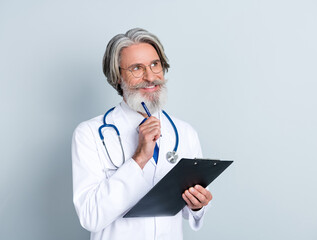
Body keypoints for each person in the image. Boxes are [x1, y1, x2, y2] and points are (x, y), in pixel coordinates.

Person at [72, 28, 212, 240]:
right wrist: (139, 158)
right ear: (118, 76)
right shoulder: (89, 134)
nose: (150, 77)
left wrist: (197, 205)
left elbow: (188, 211)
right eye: (137, 68)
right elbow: (90, 217)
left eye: (155, 65)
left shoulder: (185, 132)